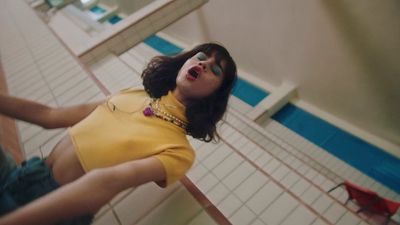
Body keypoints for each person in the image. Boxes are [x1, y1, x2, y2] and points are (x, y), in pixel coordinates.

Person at [0, 43, 237, 225]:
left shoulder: (179, 151)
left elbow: (106, 182)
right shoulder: (132, 94)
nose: (204, 64)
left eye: (215, 69)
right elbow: (50, 116)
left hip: (50, 211)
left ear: (214, 95)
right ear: (186, 62)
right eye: (201, 57)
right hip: (25, 173)